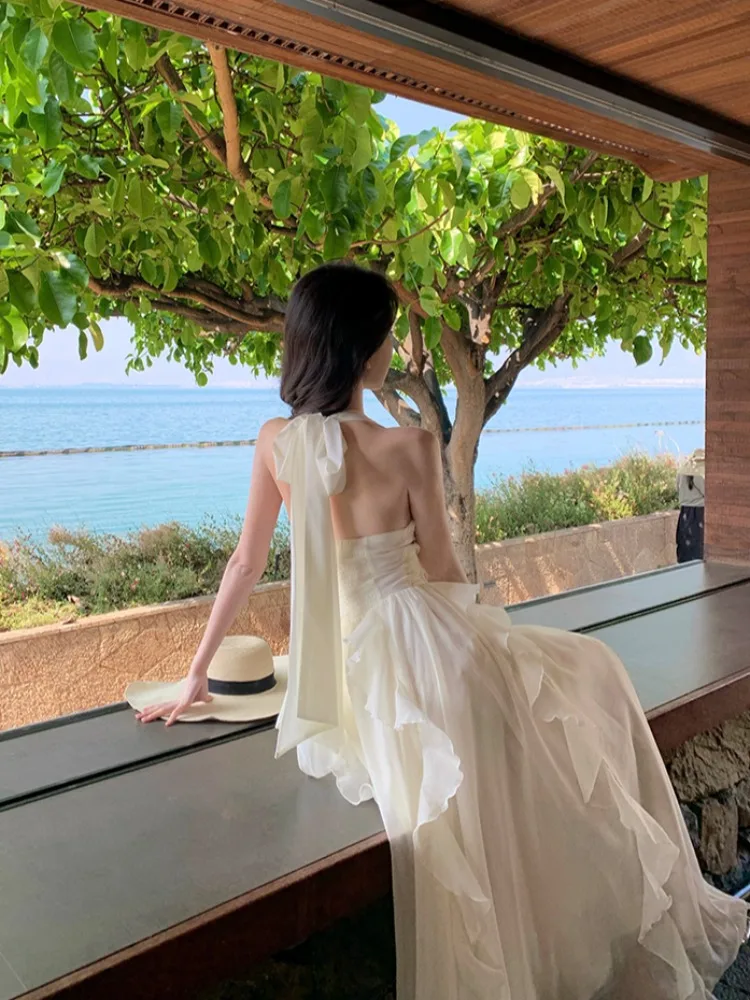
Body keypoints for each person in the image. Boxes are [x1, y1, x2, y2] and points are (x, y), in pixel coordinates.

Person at [136, 263, 748, 999]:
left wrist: (197, 675)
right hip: (419, 644)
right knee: (591, 672)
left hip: (343, 670)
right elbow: (445, 572)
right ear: (365, 349)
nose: (392, 349)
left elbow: (245, 562)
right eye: (388, 335)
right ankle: (612, 921)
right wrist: (493, 634)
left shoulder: (275, 442)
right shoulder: (409, 445)